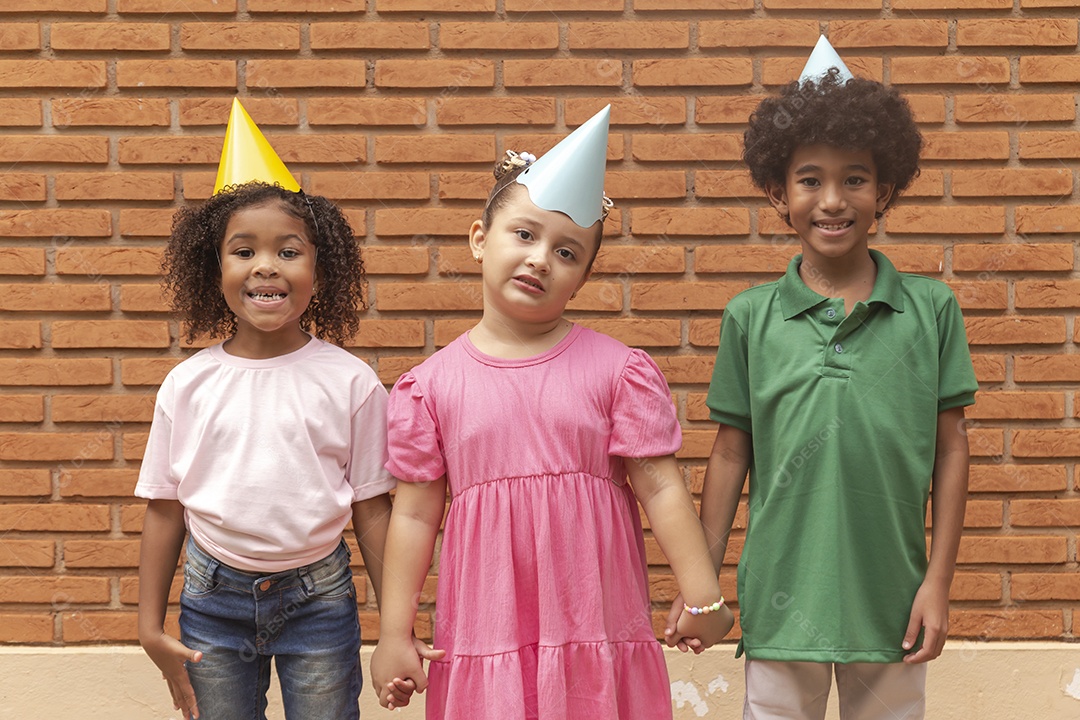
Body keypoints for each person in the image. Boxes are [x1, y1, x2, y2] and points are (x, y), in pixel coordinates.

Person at [370, 106, 734, 720]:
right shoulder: (429, 388)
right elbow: (411, 516)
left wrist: (702, 594)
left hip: (594, 615)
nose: (541, 258)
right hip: (488, 626)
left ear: (583, 277)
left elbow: (663, 486)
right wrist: (393, 634)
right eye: (524, 235)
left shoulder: (618, 372)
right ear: (480, 239)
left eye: (566, 251)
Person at [668, 36, 978, 720]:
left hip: (891, 597)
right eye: (810, 179)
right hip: (782, 592)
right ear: (779, 193)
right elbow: (729, 451)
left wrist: (939, 582)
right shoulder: (750, 317)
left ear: (885, 189)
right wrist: (702, 584)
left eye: (855, 178)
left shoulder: (931, 310)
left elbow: (952, 448)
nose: (832, 199)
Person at [135, 99, 416, 720]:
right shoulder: (187, 384)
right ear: (214, 270)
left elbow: (373, 508)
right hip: (211, 600)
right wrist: (147, 624)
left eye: (289, 251)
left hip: (320, 598)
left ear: (322, 269)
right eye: (244, 251)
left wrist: (397, 628)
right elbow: (165, 506)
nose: (266, 264)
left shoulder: (351, 382)